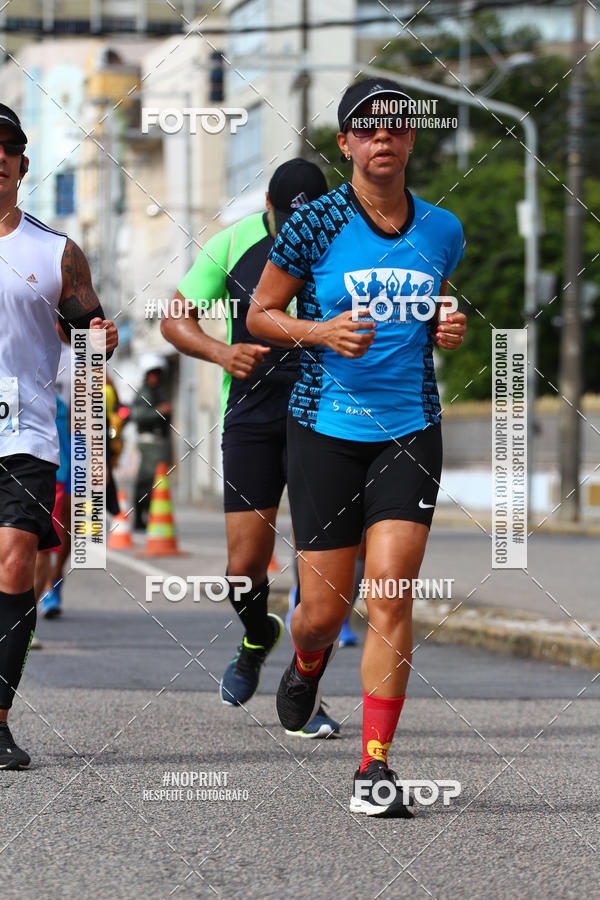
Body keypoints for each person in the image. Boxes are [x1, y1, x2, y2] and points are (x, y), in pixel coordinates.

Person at [247, 77, 467, 814]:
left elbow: (433, 303)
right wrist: (320, 331)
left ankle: (374, 767)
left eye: (396, 126)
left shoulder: (443, 229)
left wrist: (447, 323)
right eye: (367, 129)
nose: (383, 138)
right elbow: (261, 314)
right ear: (345, 143)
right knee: (323, 611)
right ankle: (306, 663)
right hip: (325, 431)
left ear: (411, 138)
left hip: (409, 430)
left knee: (392, 594)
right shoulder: (314, 224)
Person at [161, 158, 339, 738]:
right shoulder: (232, 242)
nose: (296, 232)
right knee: (243, 566)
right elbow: (175, 319)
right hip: (251, 416)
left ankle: (306, 694)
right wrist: (221, 352)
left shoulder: (345, 237)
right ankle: (257, 636)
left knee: (320, 569)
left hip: (324, 415)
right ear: (268, 206)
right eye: (287, 220)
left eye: (306, 221)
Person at [0, 104, 118, 769]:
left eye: (7, 146)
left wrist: (102, 339)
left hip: (24, 430)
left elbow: (90, 332)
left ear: (23, 163)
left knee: (16, 560)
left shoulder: (55, 252)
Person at [131, 355, 171, 531]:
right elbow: (139, 415)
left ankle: (148, 516)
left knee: (155, 481)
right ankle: (140, 517)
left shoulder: (157, 392)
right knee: (147, 480)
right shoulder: (144, 393)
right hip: (148, 443)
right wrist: (159, 411)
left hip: (158, 442)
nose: (156, 377)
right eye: (152, 374)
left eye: (158, 374)